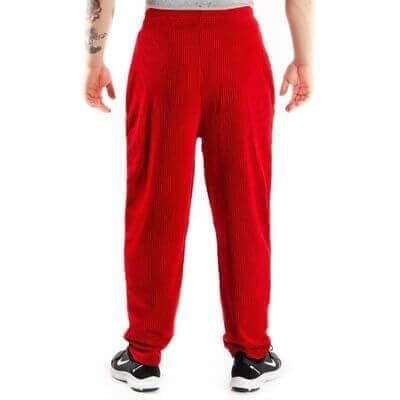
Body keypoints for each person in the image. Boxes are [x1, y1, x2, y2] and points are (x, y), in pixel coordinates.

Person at [85, 0, 313, 393]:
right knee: (245, 208)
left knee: (154, 206)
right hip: (239, 52)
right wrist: (303, 59)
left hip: (164, 52)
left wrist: (95, 61)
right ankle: (252, 355)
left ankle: (143, 356)